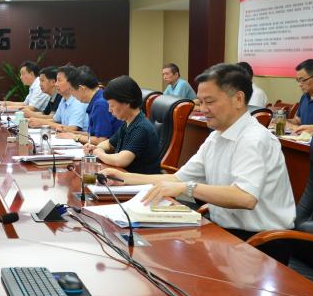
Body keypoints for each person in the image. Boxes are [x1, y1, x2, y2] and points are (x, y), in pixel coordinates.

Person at [102, 63, 294, 262]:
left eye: (209, 101)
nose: (202, 109)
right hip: (225, 233)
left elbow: (245, 197)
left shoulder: (254, 139)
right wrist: (124, 178)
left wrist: (188, 188)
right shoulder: (216, 137)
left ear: (238, 99)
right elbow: (177, 179)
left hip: (261, 243)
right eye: (200, 102)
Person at [86, 76, 160, 174]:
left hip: (141, 181)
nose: (109, 110)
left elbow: (121, 160)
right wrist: (97, 148)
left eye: (112, 105)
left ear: (127, 102)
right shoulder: (128, 122)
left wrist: (100, 154)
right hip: (125, 176)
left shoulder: (141, 127)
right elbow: (109, 144)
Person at [58, 66, 121, 145]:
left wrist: (75, 137)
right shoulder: (98, 97)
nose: (72, 94)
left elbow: (102, 140)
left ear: (82, 88)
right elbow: (93, 135)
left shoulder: (100, 104)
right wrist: (71, 133)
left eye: (72, 90)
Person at [28, 65, 87, 132]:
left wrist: (42, 123)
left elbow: (71, 129)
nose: (56, 84)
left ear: (70, 83)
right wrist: (35, 121)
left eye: (59, 80)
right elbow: (55, 120)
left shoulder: (78, 101)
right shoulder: (63, 99)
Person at [289, 59, 313, 135]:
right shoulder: (305, 96)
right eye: (298, 80)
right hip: (300, 140)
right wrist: (283, 121)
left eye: (302, 80)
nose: (299, 84)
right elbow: (298, 120)